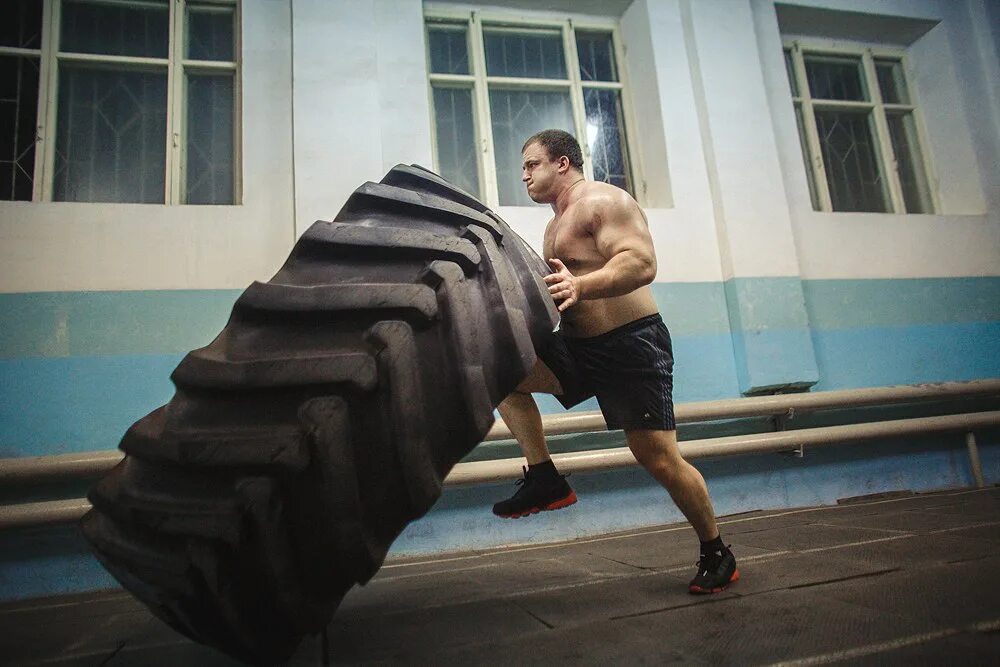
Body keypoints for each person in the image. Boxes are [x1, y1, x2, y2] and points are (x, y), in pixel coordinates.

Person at [491, 129, 739, 594]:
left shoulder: (603, 201)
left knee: (659, 459)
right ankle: (544, 476)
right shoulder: (552, 226)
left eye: (532, 164)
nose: (523, 174)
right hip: (581, 347)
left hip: (631, 345)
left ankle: (716, 550)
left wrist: (582, 286)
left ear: (562, 163)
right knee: (502, 368)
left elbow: (641, 262)